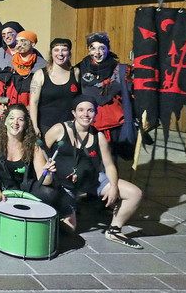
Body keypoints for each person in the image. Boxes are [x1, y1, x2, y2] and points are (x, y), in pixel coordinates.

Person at [44, 95, 143, 248]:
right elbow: (41, 150)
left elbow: (109, 165)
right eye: (81, 110)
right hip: (63, 185)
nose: (86, 114)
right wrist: (47, 170)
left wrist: (114, 186)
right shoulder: (59, 129)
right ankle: (62, 212)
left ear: (96, 114)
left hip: (90, 180)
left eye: (90, 110)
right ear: (74, 113)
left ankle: (114, 229)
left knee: (134, 193)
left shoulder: (99, 136)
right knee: (70, 229)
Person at [0, 104, 65, 224]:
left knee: (49, 193)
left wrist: (48, 173)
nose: (15, 123)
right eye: (12, 118)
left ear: (25, 124)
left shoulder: (34, 144)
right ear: (5, 122)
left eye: (20, 119)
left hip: (25, 189)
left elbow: (44, 180)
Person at [75, 32, 135, 155]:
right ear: (88, 50)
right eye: (93, 48)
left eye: (102, 48)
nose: (97, 52)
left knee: (110, 160)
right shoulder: (79, 69)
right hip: (88, 122)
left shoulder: (120, 69)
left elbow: (132, 95)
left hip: (114, 126)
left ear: (108, 49)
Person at [29, 38, 80, 138]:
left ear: (69, 53)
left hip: (70, 127)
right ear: (51, 54)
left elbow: (80, 100)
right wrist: (34, 126)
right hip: (45, 127)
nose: (60, 54)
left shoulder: (76, 72)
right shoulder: (40, 75)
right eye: (56, 50)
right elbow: (33, 103)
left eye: (64, 50)